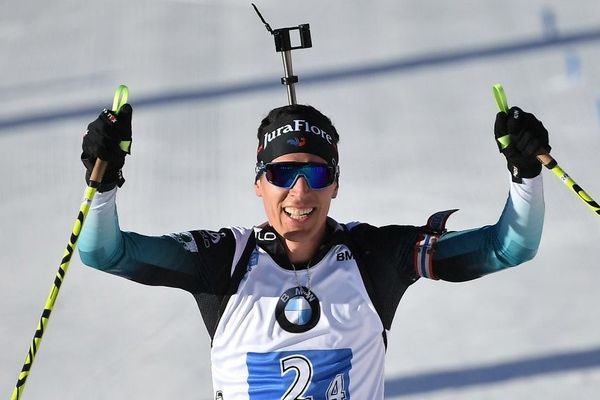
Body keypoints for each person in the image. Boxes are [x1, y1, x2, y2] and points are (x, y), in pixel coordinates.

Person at [78, 102, 549, 399]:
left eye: (317, 174)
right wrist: (105, 180)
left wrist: (526, 175)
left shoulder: (373, 255)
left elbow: (507, 248)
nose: (300, 192)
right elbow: (105, 253)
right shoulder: (225, 260)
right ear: (257, 183)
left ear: (337, 184)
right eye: (282, 174)